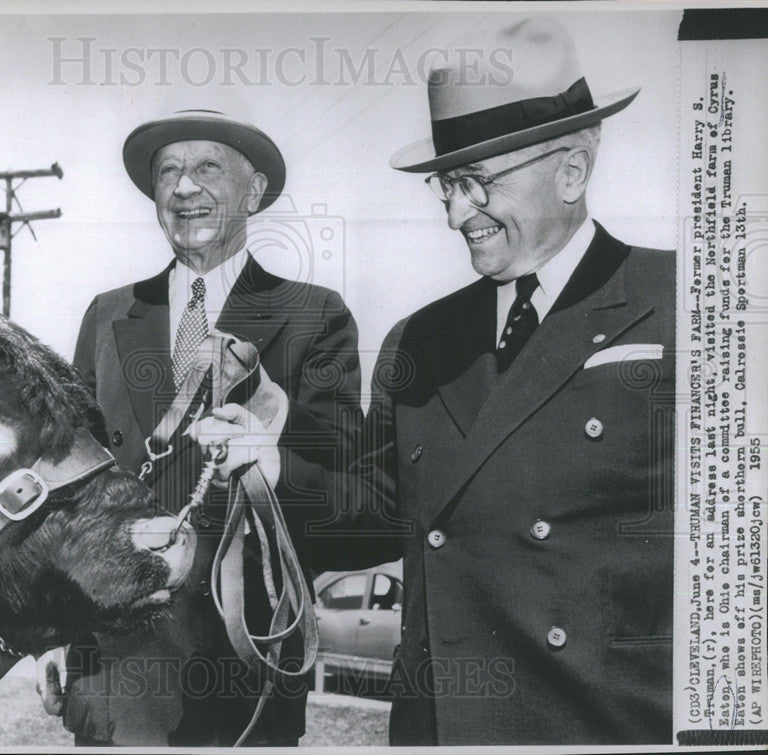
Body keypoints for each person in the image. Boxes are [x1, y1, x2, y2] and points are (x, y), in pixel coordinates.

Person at [196, 16, 675, 746]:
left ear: (572, 170)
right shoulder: (420, 341)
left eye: (478, 183)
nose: (456, 214)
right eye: (446, 186)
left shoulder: (688, 304)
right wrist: (272, 461)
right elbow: (378, 514)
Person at [38, 101, 362, 747]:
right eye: (168, 172)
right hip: (116, 661)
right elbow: (65, 486)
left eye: (208, 167)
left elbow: (344, 483)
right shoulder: (106, 316)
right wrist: (50, 630)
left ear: (255, 190)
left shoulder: (313, 316)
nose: (185, 187)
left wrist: (273, 438)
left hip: (244, 661)